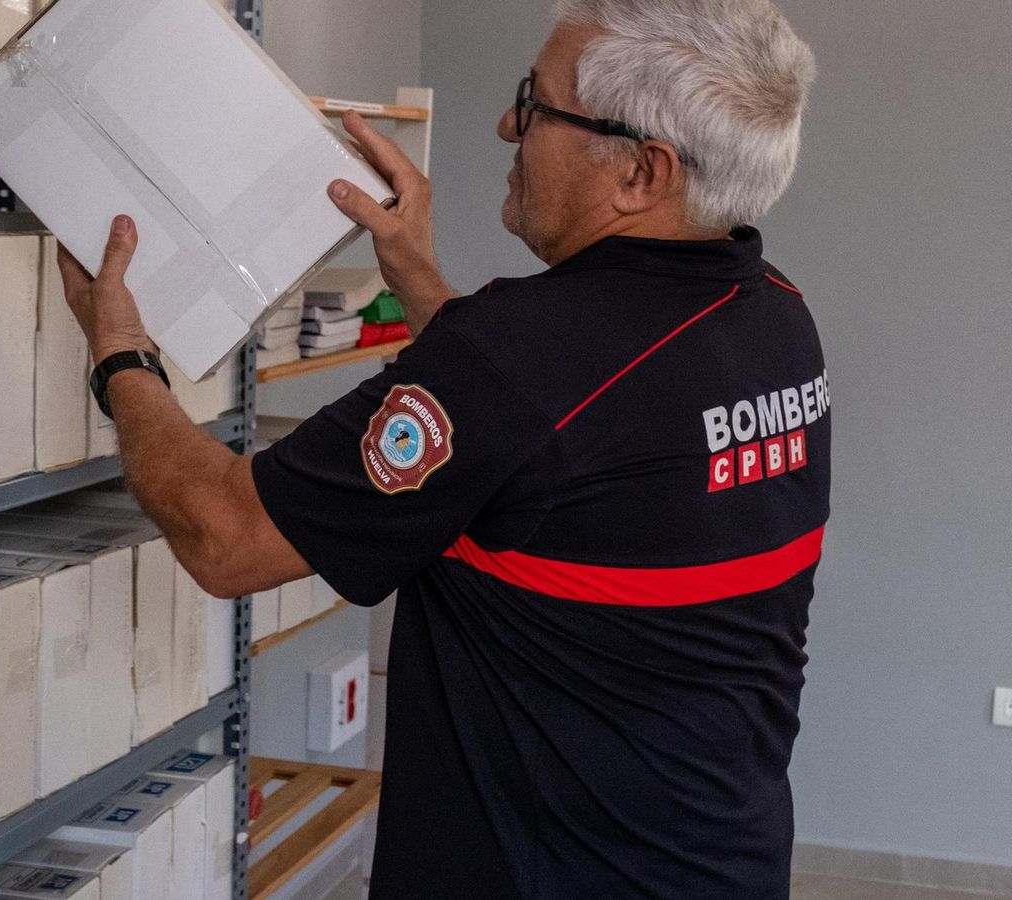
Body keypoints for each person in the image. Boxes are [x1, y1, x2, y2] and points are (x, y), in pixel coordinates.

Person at [57, 0, 823, 895]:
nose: (507, 125)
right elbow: (547, 431)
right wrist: (419, 277)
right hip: (716, 859)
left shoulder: (516, 356)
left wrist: (119, 351)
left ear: (641, 173)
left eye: (535, 106)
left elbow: (225, 535)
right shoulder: (772, 313)